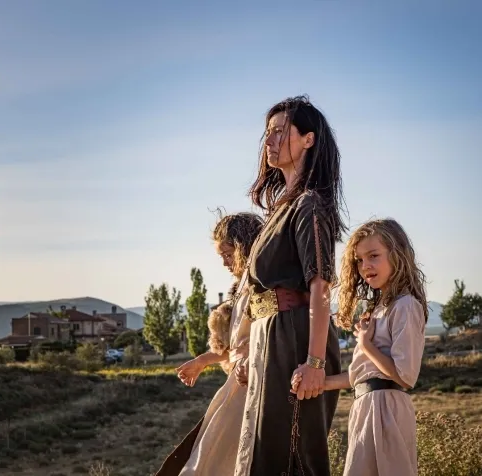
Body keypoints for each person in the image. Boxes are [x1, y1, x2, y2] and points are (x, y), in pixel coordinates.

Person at [233, 95, 346, 476]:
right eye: (268, 132)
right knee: (266, 456)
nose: (269, 140)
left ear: (308, 140)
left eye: (280, 132)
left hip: (296, 340)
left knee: (294, 460)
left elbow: (320, 288)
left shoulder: (309, 204)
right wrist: (250, 349)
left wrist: (315, 363)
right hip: (271, 337)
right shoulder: (280, 208)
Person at [292, 218, 428, 476]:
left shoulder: (406, 305)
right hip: (366, 406)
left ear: (397, 254)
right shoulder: (379, 309)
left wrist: (365, 345)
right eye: (359, 260)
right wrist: (314, 382)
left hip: (386, 409)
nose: (365, 266)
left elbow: (405, 376)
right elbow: (362, 376)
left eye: (373, 256)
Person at [155, 211, 264, 476]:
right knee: (211, 457)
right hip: (238, 381)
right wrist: (203, 360)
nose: (225, 263)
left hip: (255, 381)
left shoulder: (263, 285)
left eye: (228, 254)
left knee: (219, 460)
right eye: (221, 256)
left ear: (244, 247)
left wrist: (251, 361)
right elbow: (236, 346)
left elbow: (267, 337)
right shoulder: (240, 289)